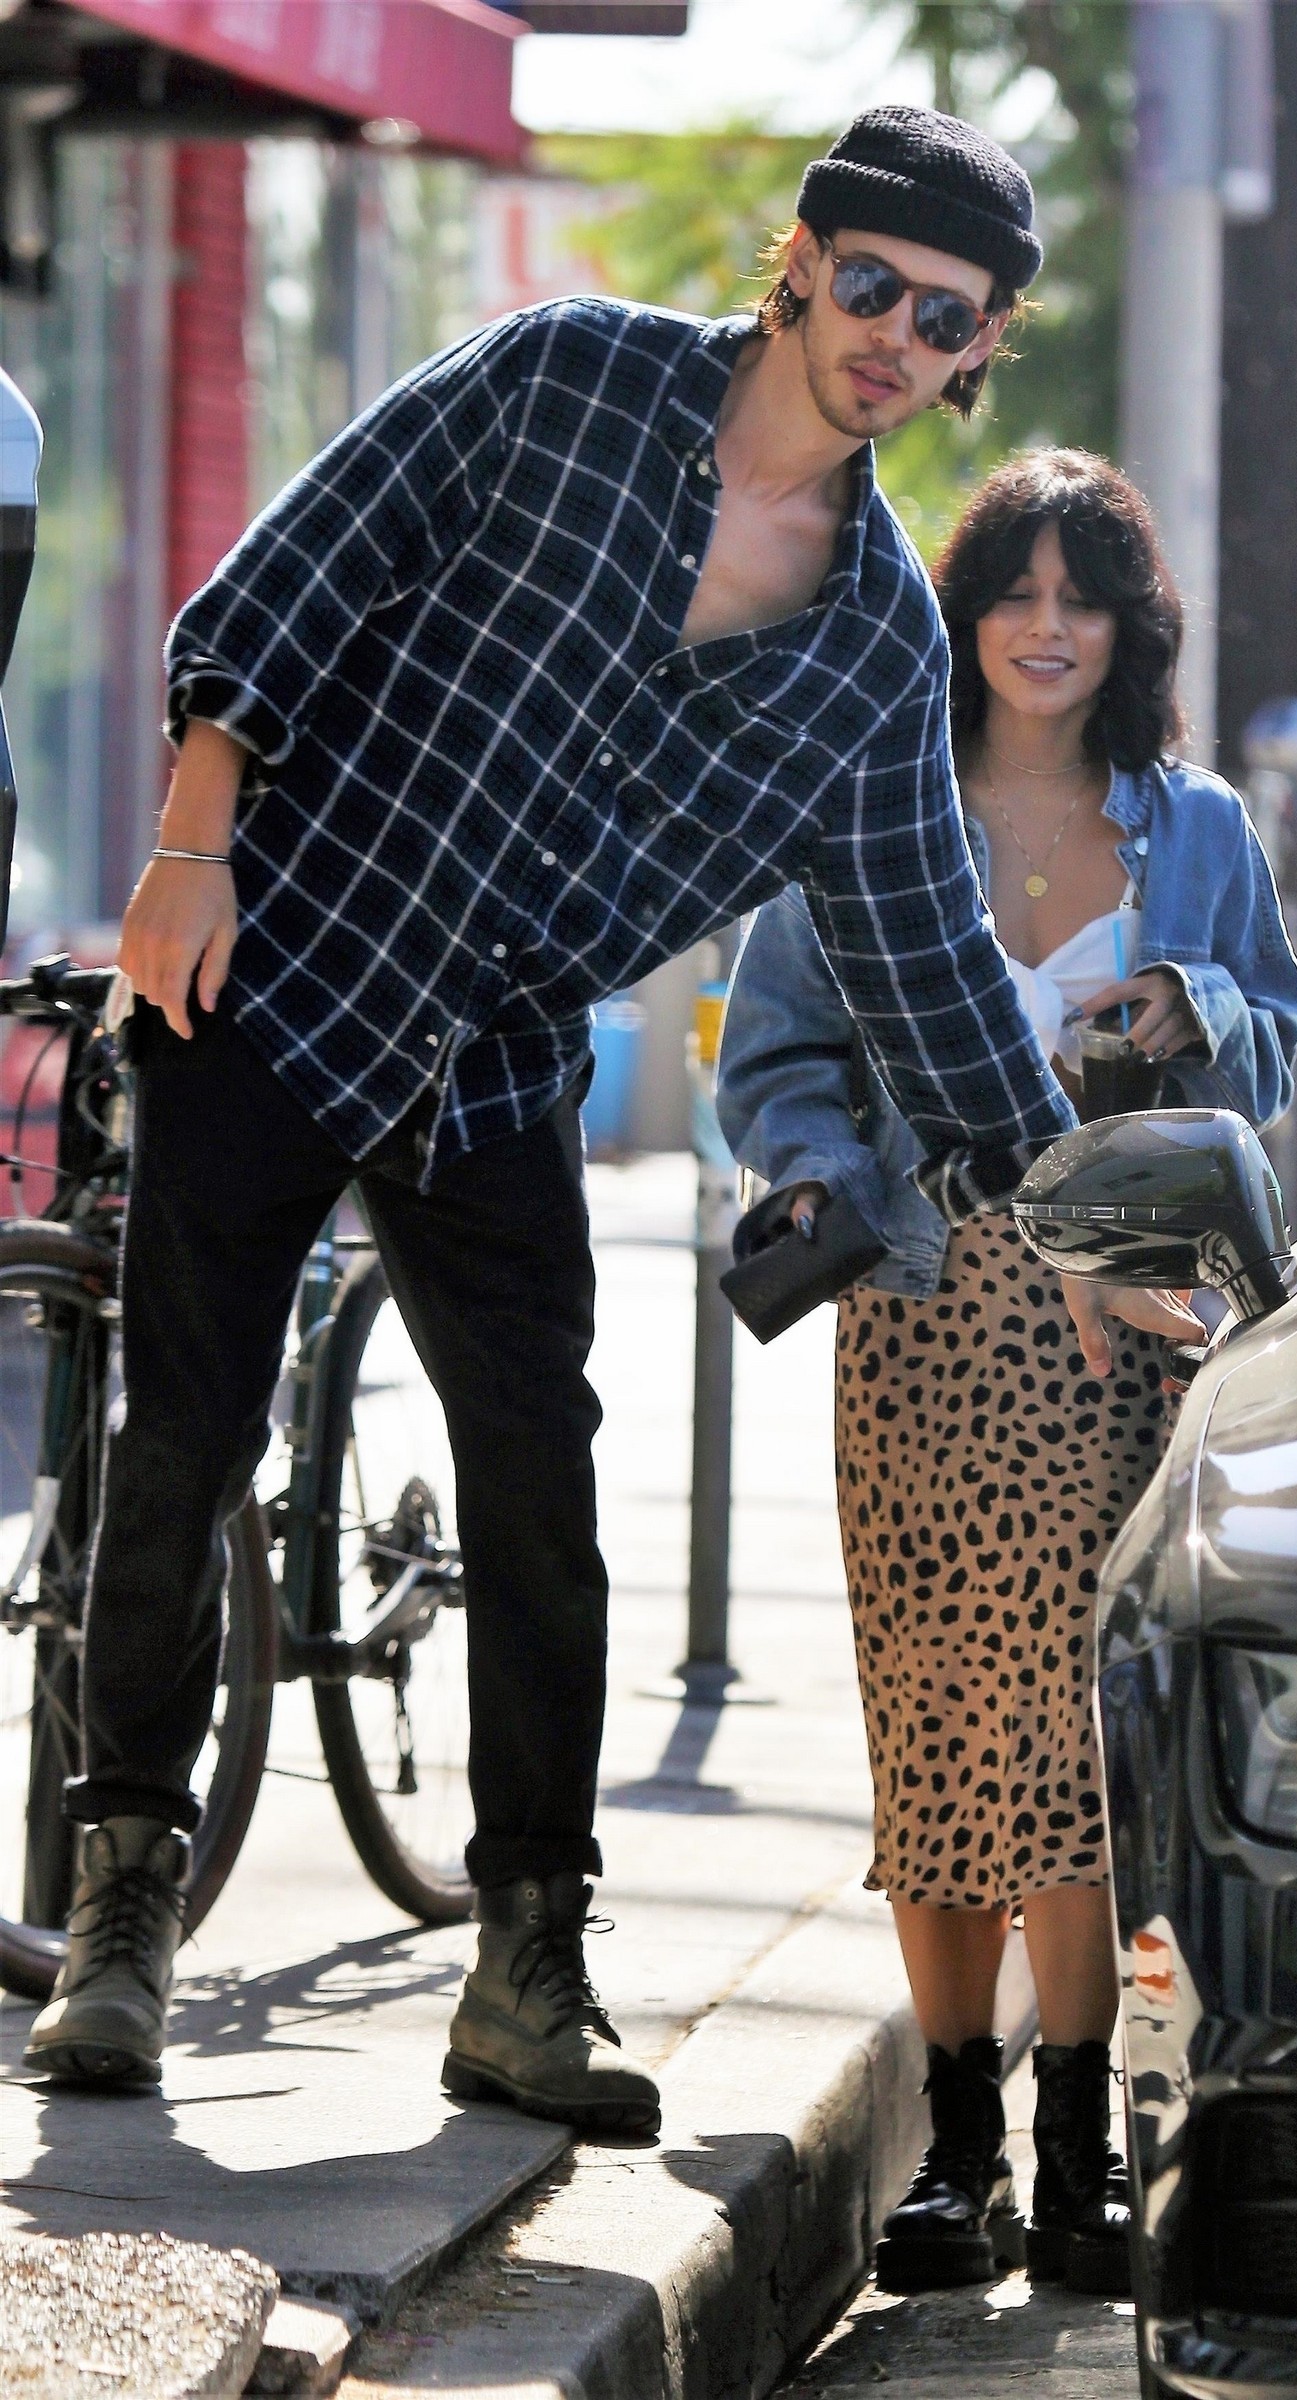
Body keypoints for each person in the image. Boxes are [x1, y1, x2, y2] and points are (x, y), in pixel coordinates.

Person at [21, 108, 1126, 2124]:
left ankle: (527, 1962)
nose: (894, 335)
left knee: (541, 1478)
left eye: (946, 318)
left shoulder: (875, 648)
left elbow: (929, 964)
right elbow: (294, 574)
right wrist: (188, 844)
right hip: (283, 965)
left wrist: (1076, 1224)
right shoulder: (563, 375)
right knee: (180, 1434)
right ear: (800, 261)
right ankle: (121, 1914)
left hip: (496, 1062)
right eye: (871, 282)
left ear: (979, 352)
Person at [716, 448, 1297, 2291]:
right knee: (935, 1730)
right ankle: (959, 2150)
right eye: (1016, 593)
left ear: (1131, 626)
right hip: (921, 1318)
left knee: (1071, 1739)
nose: (1047, 627)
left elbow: (1278, 1041)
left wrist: (1197, 1006)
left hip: (1119, 1333)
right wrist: (815, 1167)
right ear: (964, 615)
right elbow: (776, 1057)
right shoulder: (875, 802)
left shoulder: (1192, 829)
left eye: (1084, 597)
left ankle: (1071, 2156)